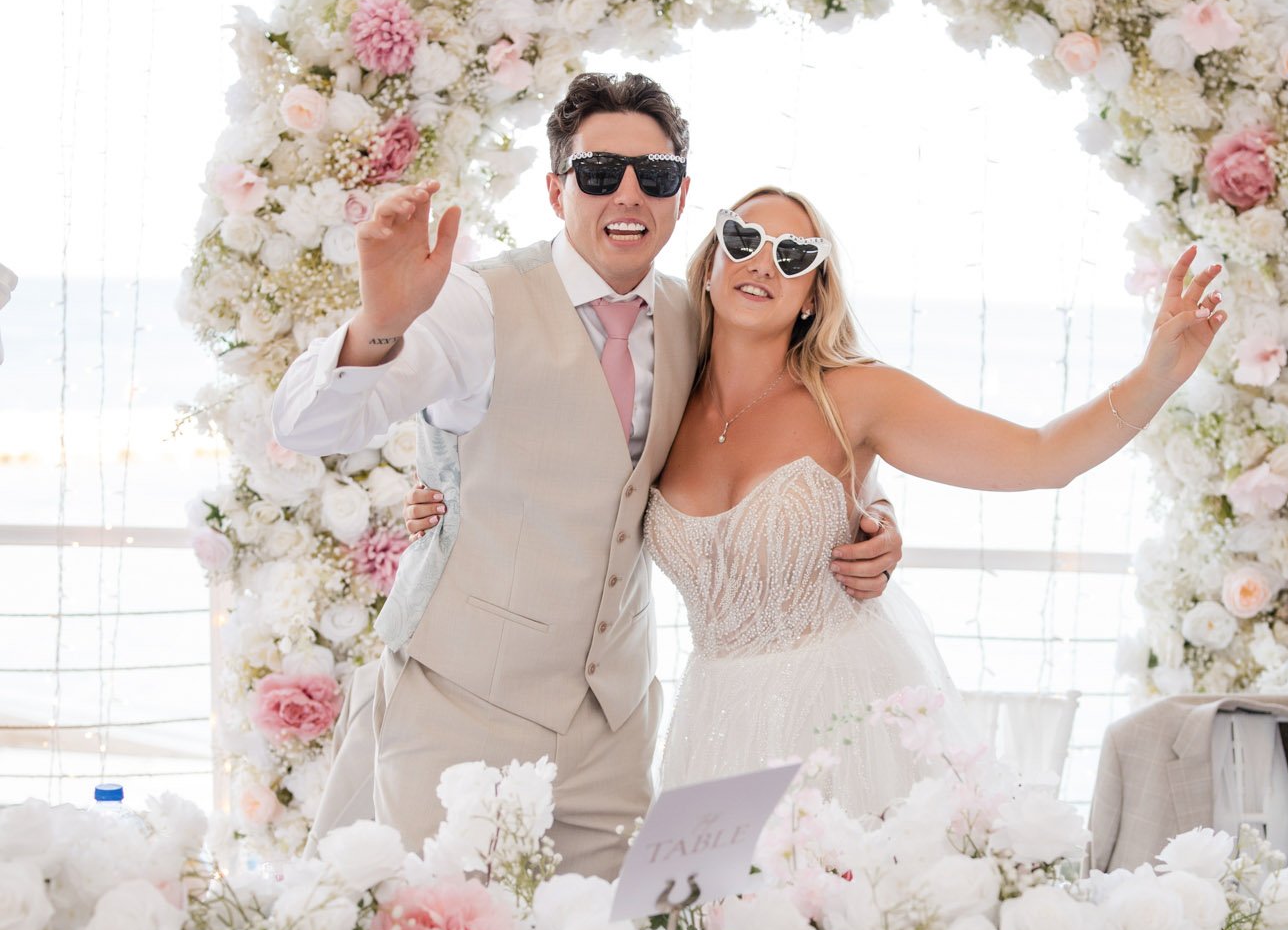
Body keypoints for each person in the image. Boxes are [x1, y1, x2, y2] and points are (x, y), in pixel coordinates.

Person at [407, 186, 1227, 818]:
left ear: (813, 292)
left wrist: (1156, 371)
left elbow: (1040, 459)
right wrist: (442, 496)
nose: (763, 261)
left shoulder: (855, 395)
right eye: (743, 239)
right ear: (710, 260)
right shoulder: (657, 401)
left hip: (849, 712)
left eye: (794, 253)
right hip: (715, 721)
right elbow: (534, 452)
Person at [270, 74, 899, 873]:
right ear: (555, 189)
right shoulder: (474, 303)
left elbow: (777, 424)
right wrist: (377, 327)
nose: (627, 195)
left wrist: (871, 511)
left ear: (681, 195)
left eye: (655, 176)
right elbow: (309, 424)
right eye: (599, 173)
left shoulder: (698, 314)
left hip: (617, 724)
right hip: (464, 706)